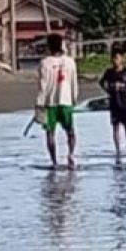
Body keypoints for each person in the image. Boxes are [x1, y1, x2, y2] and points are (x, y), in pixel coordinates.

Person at [36, 33, 79, 168]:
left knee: (50, 133)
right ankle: (71, 154)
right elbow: (74, 82)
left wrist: (39, 103)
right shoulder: (70, 62)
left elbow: (43, 85)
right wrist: (74, 98)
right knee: (70, 131)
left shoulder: (44, 63)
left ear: (49, 46)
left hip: (50, 103)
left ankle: (54, 162)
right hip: (66, 100)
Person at [100, 48, 126, 158]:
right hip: (114, 102)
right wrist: (108, 90)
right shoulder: (109, 72)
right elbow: (101, 82)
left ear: (122, 58)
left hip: (125, 101)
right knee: (115, 126)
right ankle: (117, 149)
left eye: (117, 58)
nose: (114, 60)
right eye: (113, 58)